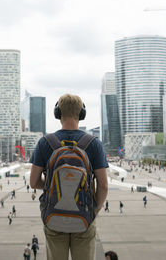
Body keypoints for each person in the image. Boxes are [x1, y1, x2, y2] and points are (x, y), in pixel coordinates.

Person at [29, 94, 109, 260]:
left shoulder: (45, 142)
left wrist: (52, 185)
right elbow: (103, 186)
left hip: (53, 216)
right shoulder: (93, 144)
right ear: (81, 114)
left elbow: (33, 182)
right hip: (84, 217)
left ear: (58, 113)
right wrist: (95, 210)